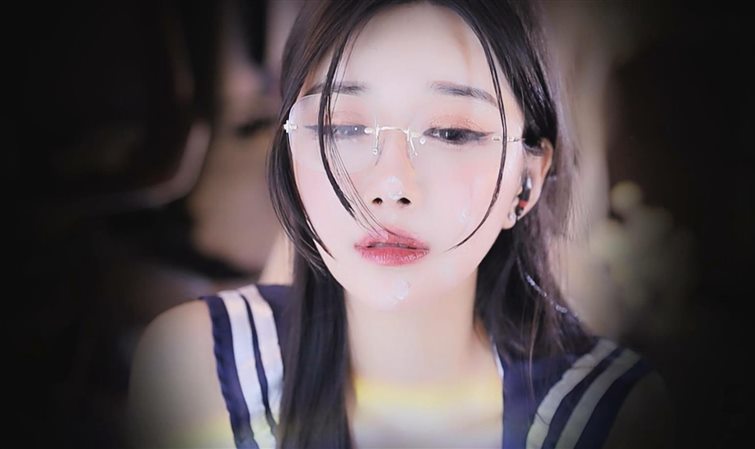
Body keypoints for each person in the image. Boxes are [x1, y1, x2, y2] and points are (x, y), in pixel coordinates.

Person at [125, 0, 676, 448]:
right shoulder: (197, 372)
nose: (391, 185)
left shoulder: (608, 418)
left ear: (527, 180)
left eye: (452, 133)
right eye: (343, 127)